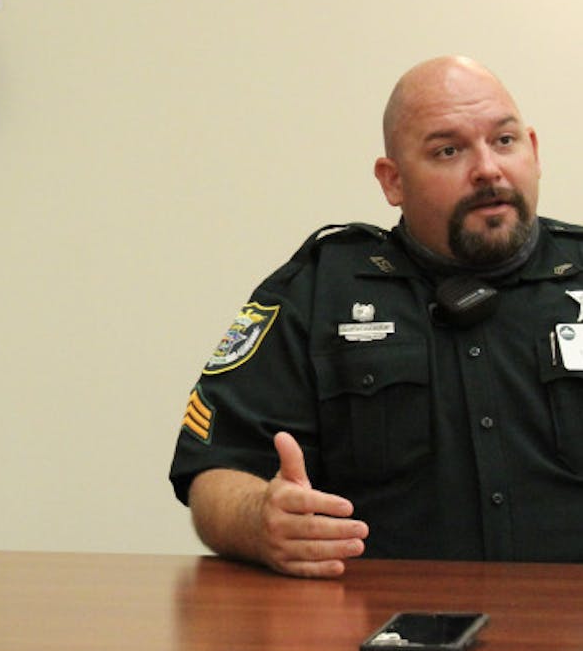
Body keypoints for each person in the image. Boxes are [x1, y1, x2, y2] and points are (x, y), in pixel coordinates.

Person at [169, 54, 583, 578]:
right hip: (382, 636)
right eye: (448, 150)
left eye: (504, 141)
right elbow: (214, 472)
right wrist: (262, 521)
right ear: (393, 182)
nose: (488, 169)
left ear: (535, 150)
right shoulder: (320, 290)